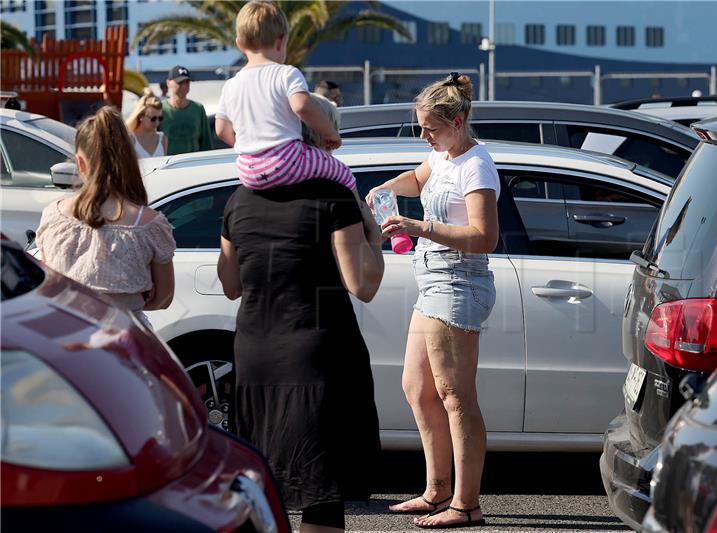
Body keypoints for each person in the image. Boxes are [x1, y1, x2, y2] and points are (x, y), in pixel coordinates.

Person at [217, 126, 385, 531]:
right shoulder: (332, 197)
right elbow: (362, 285)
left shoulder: (239, 199)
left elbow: (230, 285)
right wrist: (374, 241)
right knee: (321, 487)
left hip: (255, 355)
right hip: (317, 353)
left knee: (261, 480)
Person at [366, 72, 499, 529]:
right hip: (434, 284)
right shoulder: (441, 155)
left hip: (459, 284)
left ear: (458, 121)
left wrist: (418, 227)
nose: (424, 135)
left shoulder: (476, 165)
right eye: (421, 127)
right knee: (417, 388)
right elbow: (418, 178)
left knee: (455, 395)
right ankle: (437, 488)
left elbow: (484, 237)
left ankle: (466, 504)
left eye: (431, 128)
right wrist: (386, 189)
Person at [35, 106, 176, 327]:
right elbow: (164, 297)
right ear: (128, 159)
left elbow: (45, 286)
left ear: (80, 163)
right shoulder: (150, 224)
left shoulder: (53, 217)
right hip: (126, 335)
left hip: (63, 335)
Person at [214, 1, 355, 193]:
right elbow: (302, 106)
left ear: (239, 45)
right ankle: (363, 217)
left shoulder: (230, 85)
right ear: (281, 41)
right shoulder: (286, 73)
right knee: (343, 174)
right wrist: (330, 134)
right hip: (287, 161)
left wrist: (252, 147)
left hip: (248, 170)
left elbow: (221, 130)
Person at [161, 65, 213, 155]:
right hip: (168, 166)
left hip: (193, 165)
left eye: (187, 82)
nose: (184, 86)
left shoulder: (198, 109)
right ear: (168, 83)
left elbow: (206, 143)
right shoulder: (160, 110)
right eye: (180, 83)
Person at [125, 88, 168, 158]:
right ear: (141, 116)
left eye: (160, 118)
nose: (157, 122)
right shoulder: (131, 140)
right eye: (153, 118)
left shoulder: (163, 139)